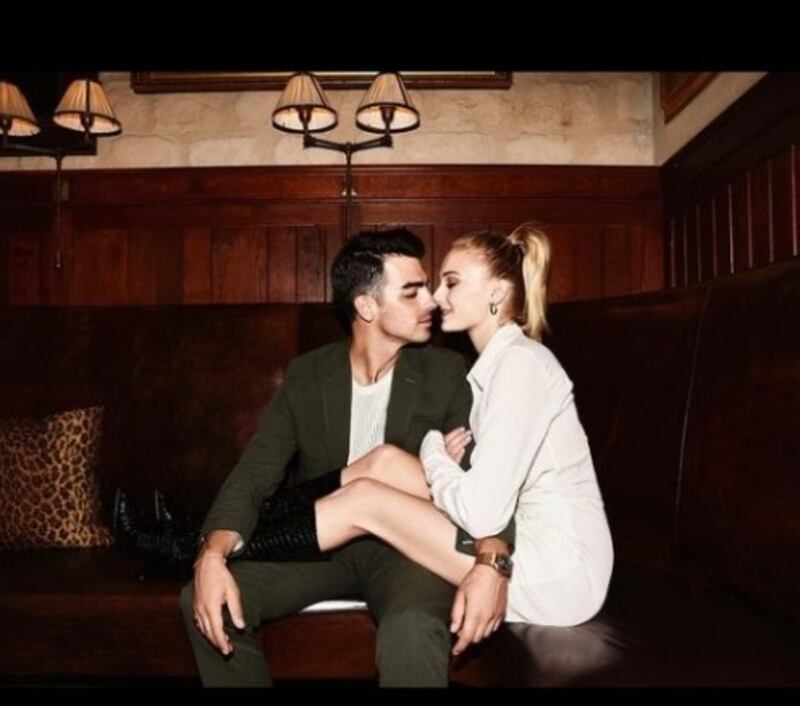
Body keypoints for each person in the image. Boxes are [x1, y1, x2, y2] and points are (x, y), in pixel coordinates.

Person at [115, 228, 515, 687]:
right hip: (321, 547)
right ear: (366, 306)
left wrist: (493, 562)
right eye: (412, 292)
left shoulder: (446, 372)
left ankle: (173, 543)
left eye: (427, 287)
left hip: (406, 551)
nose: (431, 301)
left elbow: (487, 481)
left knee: (412, 629)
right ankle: (189, 547)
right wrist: (211, 555)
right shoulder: (308, 374)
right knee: (202, 598)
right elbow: (256, 471)